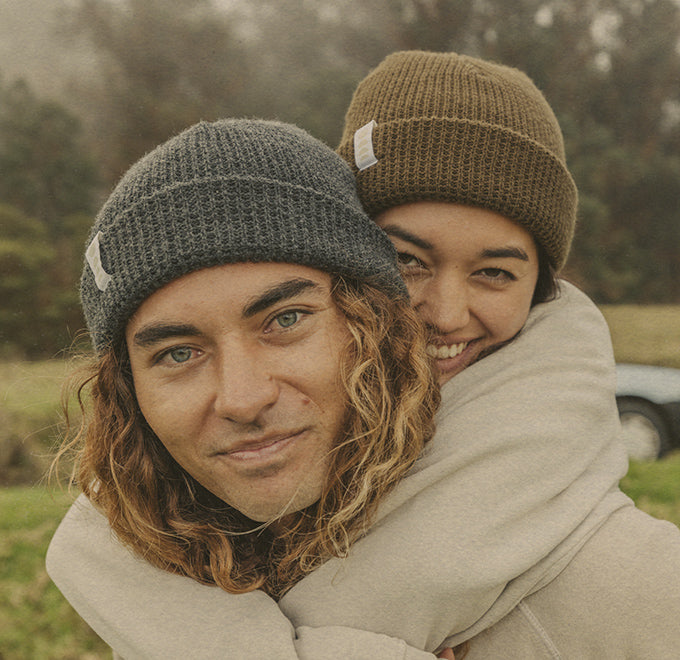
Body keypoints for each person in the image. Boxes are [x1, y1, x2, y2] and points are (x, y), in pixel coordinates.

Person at [48, 53, 680, 658]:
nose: (446, 313)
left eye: (285, 319)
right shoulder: (190, 547)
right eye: (406, 260)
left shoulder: (635, 587)